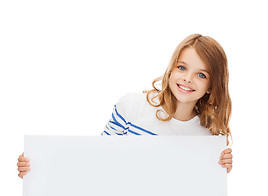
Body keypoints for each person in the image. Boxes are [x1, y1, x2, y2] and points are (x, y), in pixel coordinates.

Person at [17, 33, 233, 179]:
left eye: (201, 74)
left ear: (211, 86)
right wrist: (39, 165)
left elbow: (199, 193)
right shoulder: (132, 107)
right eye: (182, 67)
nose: (187, 78)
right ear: (171, 69)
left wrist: (220, 167)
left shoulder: (207, 138)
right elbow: (94, 159)